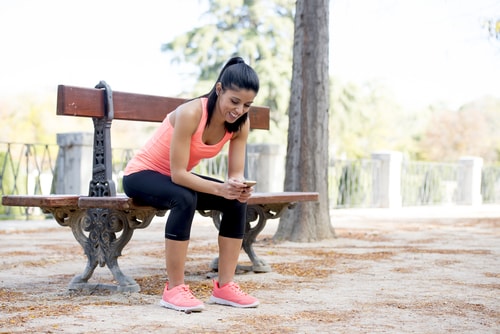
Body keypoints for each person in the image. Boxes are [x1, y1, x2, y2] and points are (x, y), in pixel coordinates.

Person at [122, 56, 260, 312]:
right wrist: (221, 188)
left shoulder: (240, 123)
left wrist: (239, 187)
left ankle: (225, 286)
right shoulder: (191, 112)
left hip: (176, 179)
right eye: (234, 101)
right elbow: (178, 175)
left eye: (247, 105)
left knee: (236, 200)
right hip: (142, 175)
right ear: (219, 89)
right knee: (184, 197)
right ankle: (174, 289)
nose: (239, 110)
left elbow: (235, 173)